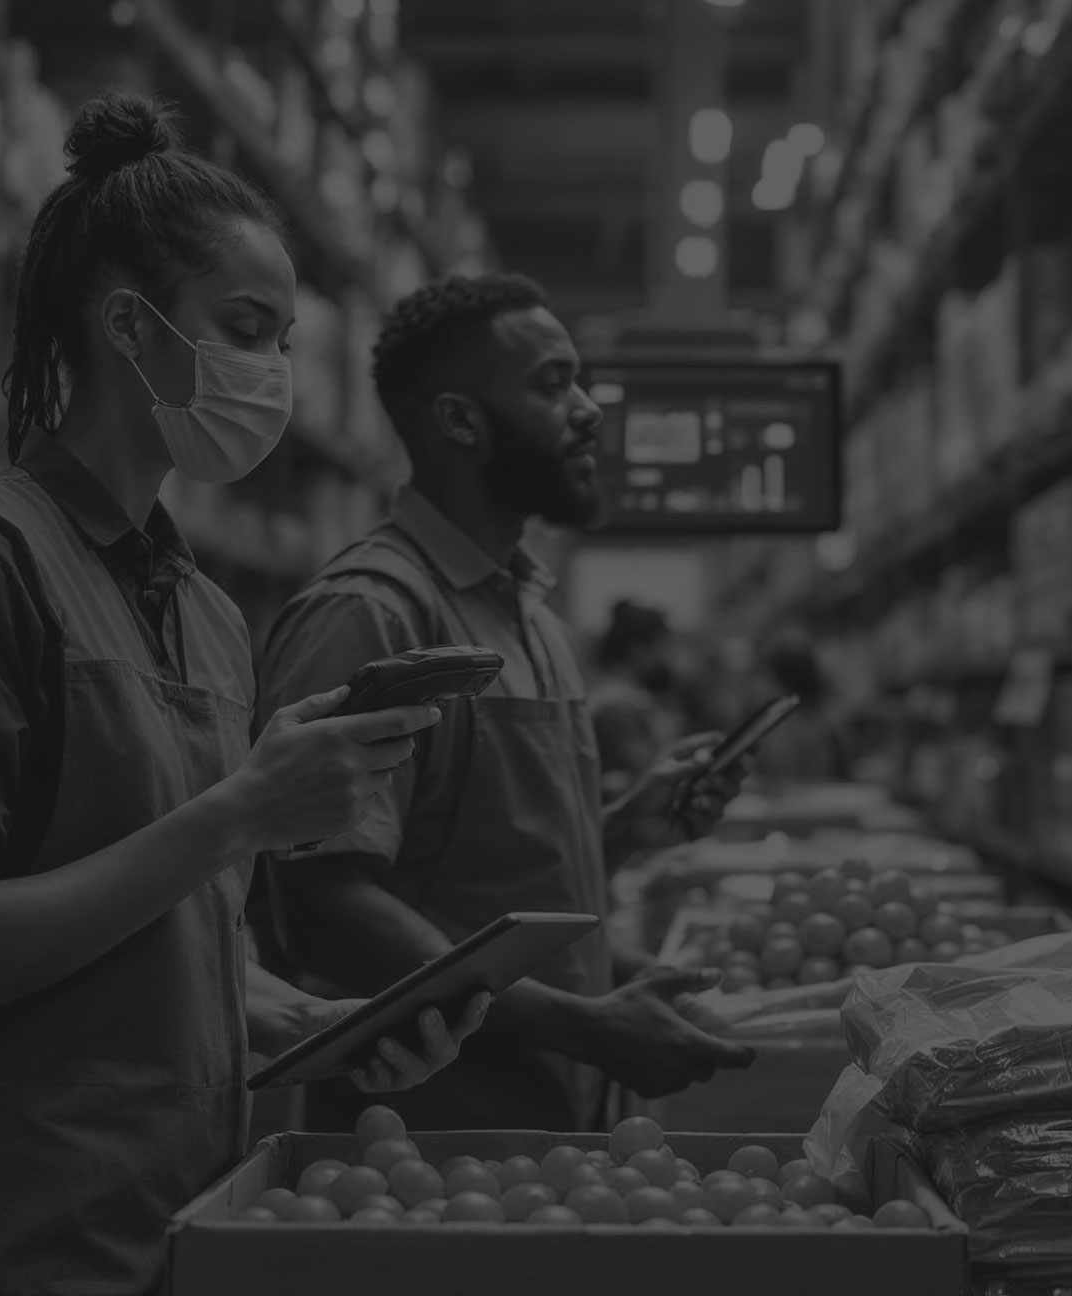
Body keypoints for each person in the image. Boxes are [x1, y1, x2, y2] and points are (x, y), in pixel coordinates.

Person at [0, 95, 486, 1296]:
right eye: (246, 328)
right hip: (15, 1244)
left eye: (285, 340)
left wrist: (311, 1025)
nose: (274, 374)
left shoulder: (207, 611)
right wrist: (240, 811)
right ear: (129, 328)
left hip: (183, 1219)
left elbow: (171, 940)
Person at [258, 274, 756, 1132]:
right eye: (553, 384)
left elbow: (480, 883)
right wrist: (586, 1025)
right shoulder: (372, 614)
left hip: (549, 1128)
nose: (591, 410)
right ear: (459, 420)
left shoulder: (531, 614)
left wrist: (626, 827)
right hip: (420, 1143)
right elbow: (328, 907)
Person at [587, 598, 684, 797]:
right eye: (663, 647)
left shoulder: (632, 697)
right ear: (638, 650)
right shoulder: (615, 707)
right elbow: (652, 771)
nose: (667, 658)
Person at [752, 633, 854, 783]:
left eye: (766, 678)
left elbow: (776, 780)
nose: (760, 685)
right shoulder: (830, 718)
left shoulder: (779, 729)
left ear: (781, 682)